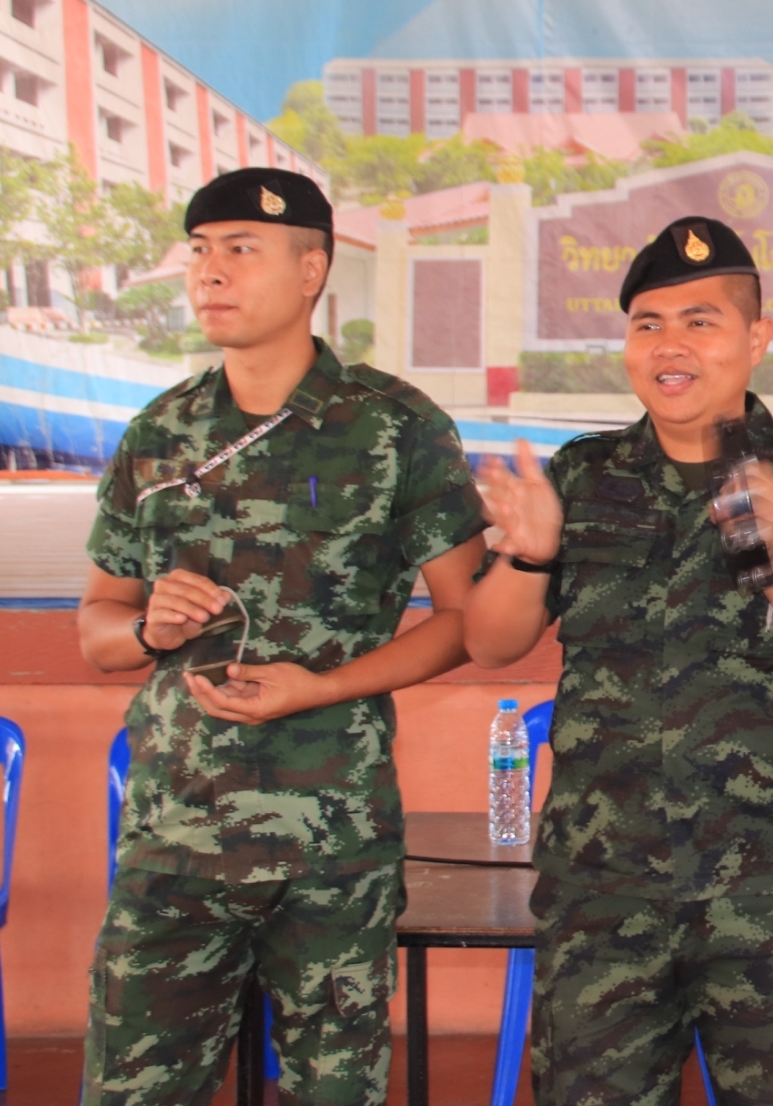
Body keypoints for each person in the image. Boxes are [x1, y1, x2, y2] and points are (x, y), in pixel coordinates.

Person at [463, 216, 773, 1106]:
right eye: (647, 324)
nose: (670, 345)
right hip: (602, 893)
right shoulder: (582, 477)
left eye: (699, 321)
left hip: (771, 895)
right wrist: (532, 553)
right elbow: (488, 641)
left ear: (755, 338)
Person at [76, 168, 489, 1105]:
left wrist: (321, 686)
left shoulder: (393, 427)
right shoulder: (161, 431)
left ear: (313, 269)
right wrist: (148, 626)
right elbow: (96, 630)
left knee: (333, 1091)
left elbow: (465, 623)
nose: (210, 273)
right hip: (173, 837)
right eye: (199, 252)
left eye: (240, 250)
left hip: (331, 839)